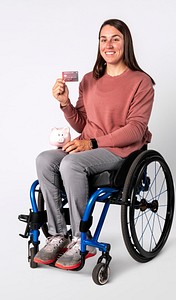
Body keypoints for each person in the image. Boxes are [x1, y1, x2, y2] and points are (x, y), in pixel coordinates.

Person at [34, 18, 155, 270]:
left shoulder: (140, 82)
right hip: (88, 145)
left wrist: (93, 143)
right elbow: (83, 124)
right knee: (44, 160)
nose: (108, 45)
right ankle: (58, 235)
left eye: (115, 39)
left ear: (126, 43)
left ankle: (82, 240)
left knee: (71, 165)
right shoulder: (90, 79)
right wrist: (65, 103)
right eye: (103, 39)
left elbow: (135, 129)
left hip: (118, 150)